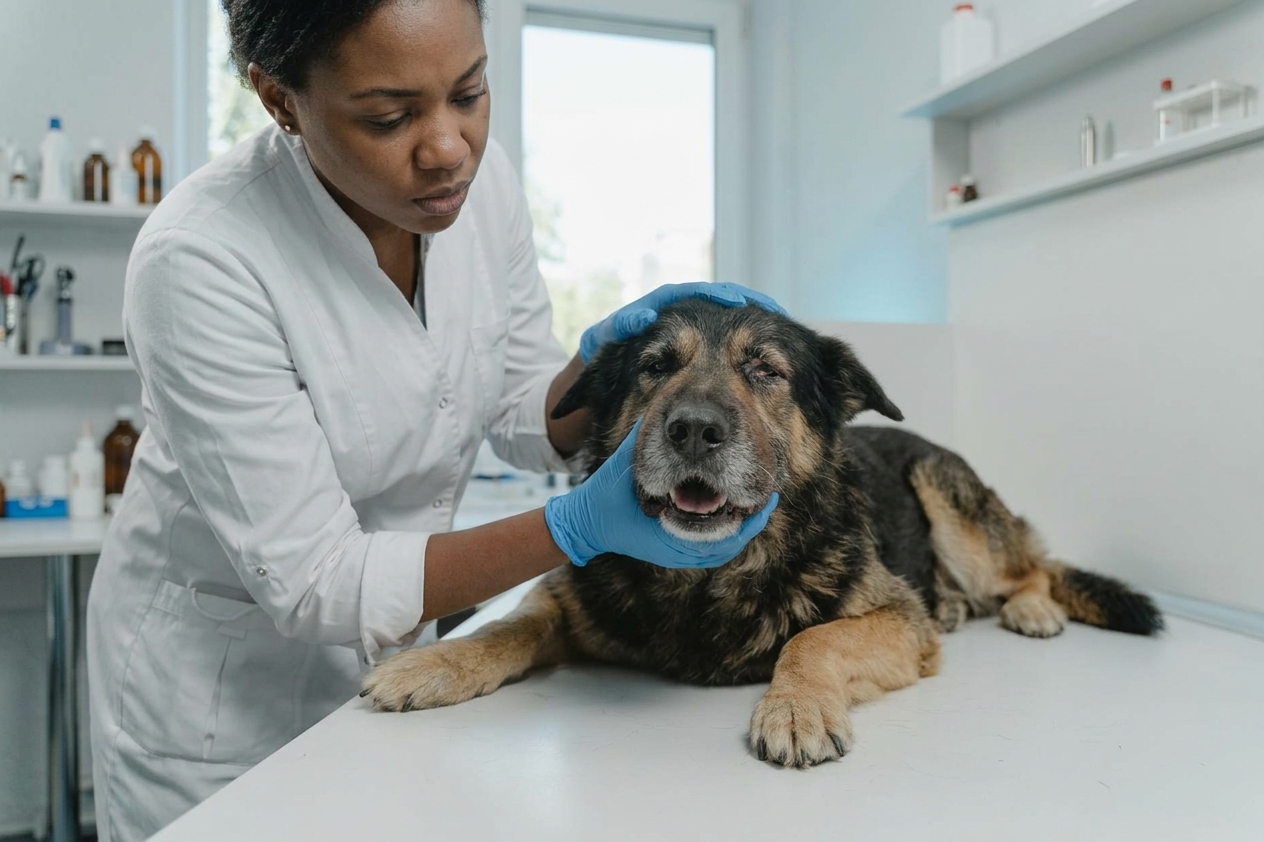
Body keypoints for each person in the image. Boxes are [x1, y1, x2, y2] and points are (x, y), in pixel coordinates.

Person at [85, 0, 782, 839]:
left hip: (392, 670)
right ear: (278, 100)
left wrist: (600, 371)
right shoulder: (200, 261)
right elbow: (318, 581)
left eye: (470, 91)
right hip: (223, 705)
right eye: (390, 116)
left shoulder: (478, 191)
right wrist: (576, 529)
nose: (448, 147)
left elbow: (514, 407)